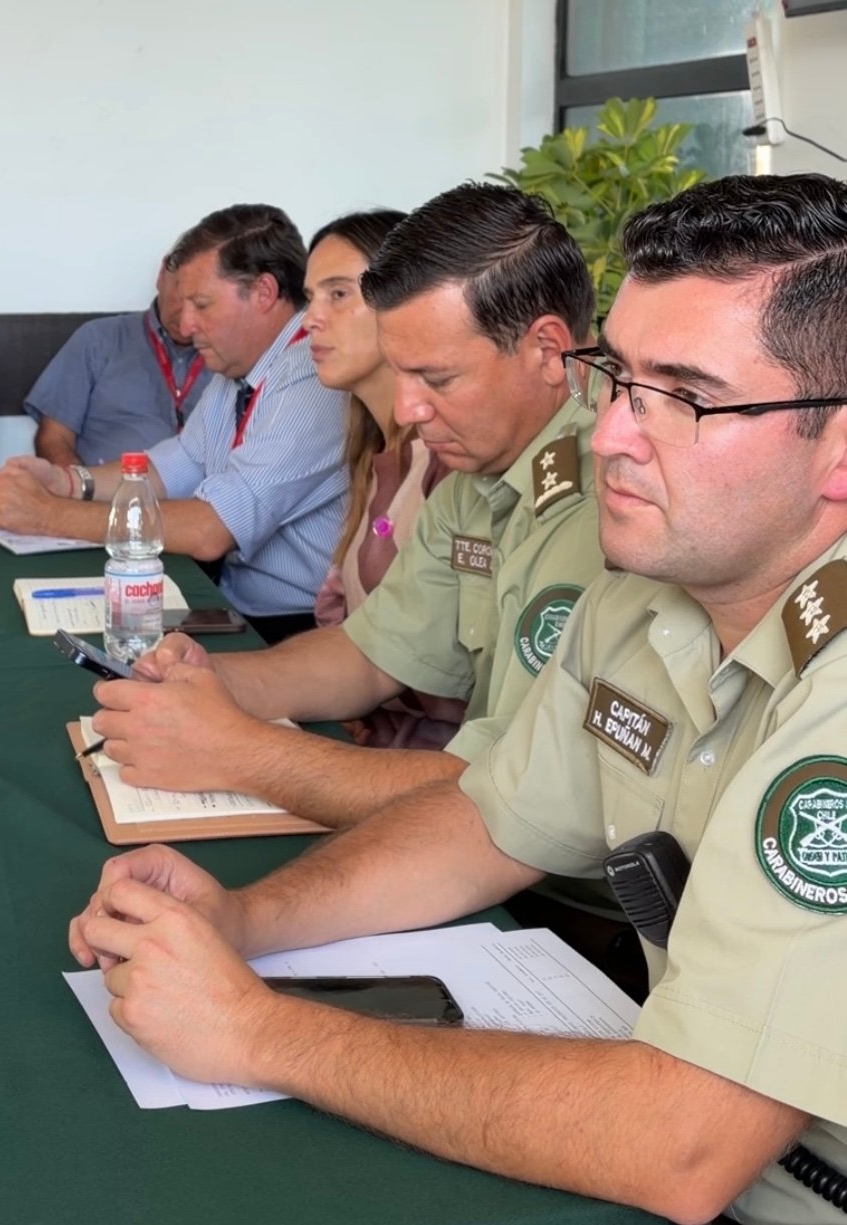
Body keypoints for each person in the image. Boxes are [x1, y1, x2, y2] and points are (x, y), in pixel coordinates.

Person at [70, 174, 847, 1225]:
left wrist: (255, 1028)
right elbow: (489, 821)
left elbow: (684, 1142)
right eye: (619, 378)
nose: (608, 434)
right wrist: (245, 918)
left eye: (684, 397)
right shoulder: (646, 593)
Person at [89, 184, 601, 825]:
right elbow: (370, 654)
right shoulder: (479, 468)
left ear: (549, 351)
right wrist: (214, 679)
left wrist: (239, 751)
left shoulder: (603, 490)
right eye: (401, 373)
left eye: (437, 378)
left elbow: (509, 792)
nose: (409, 409)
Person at [0, 204, 349, 640]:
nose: (186, 325)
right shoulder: (239, 368)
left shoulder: (312, 374)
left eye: (202, 304)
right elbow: (169, 468)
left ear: (264, 292)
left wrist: (49, 515)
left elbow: (210, 529)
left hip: (297, 627)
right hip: (235, 604)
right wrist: (68, 482)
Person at [303, 209, 462, 749]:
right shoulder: (376, 452)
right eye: (310, 298)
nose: (311, 319)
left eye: (338, 294)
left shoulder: (448, 457)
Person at [25, 259, 212, 466]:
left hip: (207, 486)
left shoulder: (229, 356)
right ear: (162, 275)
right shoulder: (97, 340)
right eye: (182, 295)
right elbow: (53, 439)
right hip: (106, 485)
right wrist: (80, 484)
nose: (186, 318)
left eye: (201, 303)